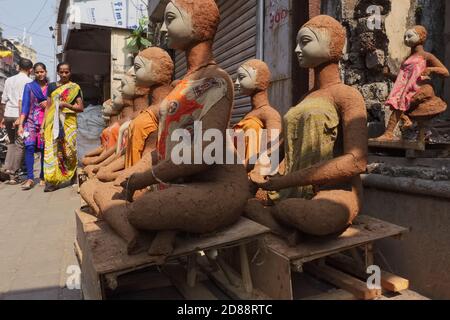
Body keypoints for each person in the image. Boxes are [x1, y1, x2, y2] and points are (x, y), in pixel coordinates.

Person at [43, 62, 84, 192]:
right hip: (52, 122)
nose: (64, 74)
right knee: (52, 150)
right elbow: (48, 107)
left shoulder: (75, 88)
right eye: (61, 72)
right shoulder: (51, 86)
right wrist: (43, 125)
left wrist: (67, 105)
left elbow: (80, 108)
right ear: (58, 72)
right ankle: (51, 181)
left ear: (70, 72)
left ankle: (72, 174)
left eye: (66, 72)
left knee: (69, 150)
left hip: (68, 122)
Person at [0, 58, 33, 184]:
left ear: (18, 67)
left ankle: (7, 169)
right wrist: (20, 118)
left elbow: (3, 101)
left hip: (8, 114)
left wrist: (3, 117)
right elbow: (24, 102)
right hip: (20, 116)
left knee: (11, 143)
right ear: (30, 70)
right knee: (20, 145)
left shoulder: (8, 80)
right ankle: (14, 174)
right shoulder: (29, 82)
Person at [17, 63, 49, 190]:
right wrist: (21, 124)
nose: (40, 74)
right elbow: (25, 106)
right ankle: (30, 178)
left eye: (42, 72)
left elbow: (55, 105)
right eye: (37, 72)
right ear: (33, 73)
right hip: (30, 121)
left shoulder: (51, 87)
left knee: (43, 149)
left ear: (46, 72)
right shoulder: (29, 87)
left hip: (45, 122)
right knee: (29, 147)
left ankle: (42, 175)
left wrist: (48, 104)